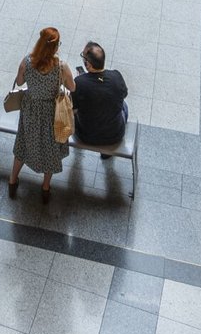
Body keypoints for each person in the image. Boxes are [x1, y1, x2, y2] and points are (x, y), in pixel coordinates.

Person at [8, 27, 73, 203]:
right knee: (51, 148)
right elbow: (72, 87)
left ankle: (12, 181)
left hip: (31, 109)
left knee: (23, 142)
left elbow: (19, 82)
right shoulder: (61, 66)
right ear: (55, 47)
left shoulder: (27, 62)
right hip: (51, 113)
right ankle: (45, 188)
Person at [71, 42, 128, 156]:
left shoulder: (79, 82)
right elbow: (124, 94)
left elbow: (73, 108)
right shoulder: (116, 76)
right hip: (115, 135)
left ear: (87, 64)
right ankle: (107, 153)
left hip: (86, 136)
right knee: (124, 105)